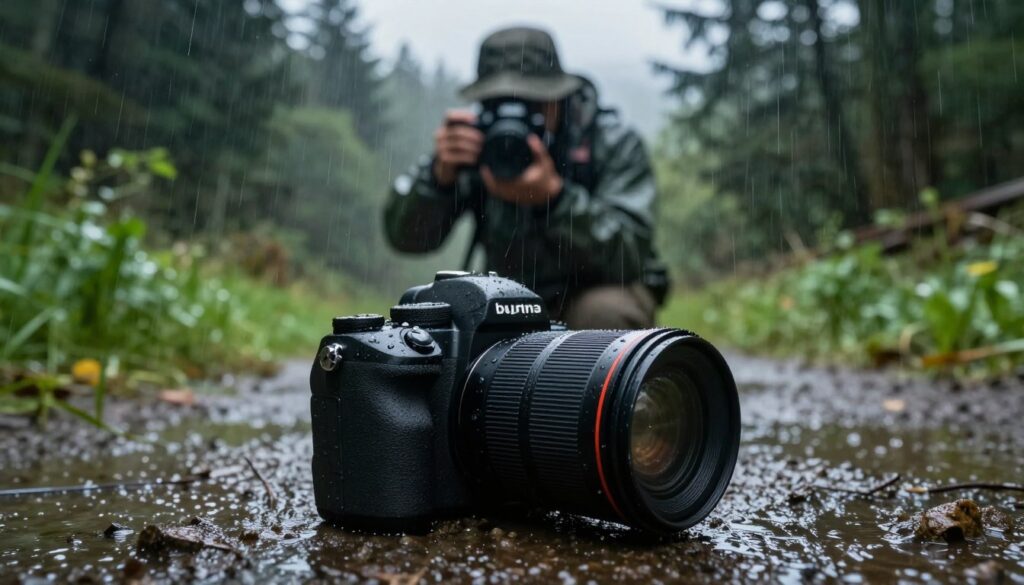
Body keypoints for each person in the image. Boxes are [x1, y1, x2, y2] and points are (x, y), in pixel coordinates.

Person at [384, 26, 668, 329]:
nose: (512, 116)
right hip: (510, 293)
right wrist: (438, 179)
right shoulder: (476, 149)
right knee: (443, 329)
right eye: (497, 103)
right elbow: (406, 239)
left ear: (559, 97)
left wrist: (556, 199)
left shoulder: (611, 143)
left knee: (602, 319)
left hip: (597, 289)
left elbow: (629, 256)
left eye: (531, 103)